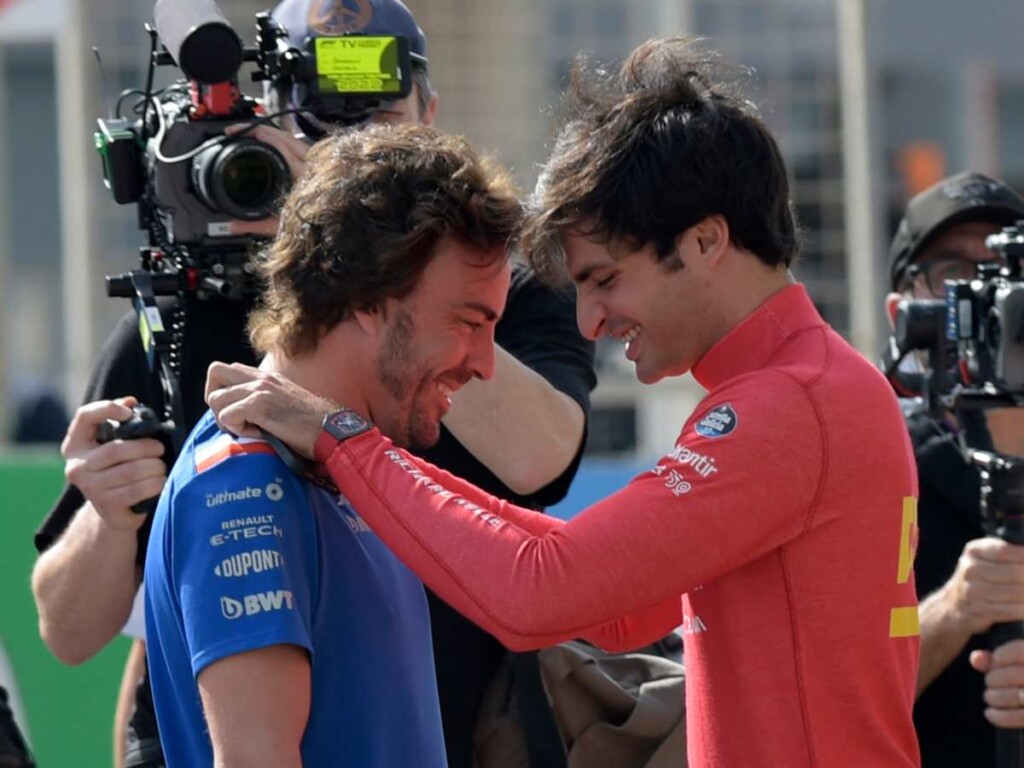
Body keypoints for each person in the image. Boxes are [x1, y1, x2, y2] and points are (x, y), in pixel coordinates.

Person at [205, 37, 922, 767]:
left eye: (605, 278)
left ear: (706, 241)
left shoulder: (786, 403)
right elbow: (610, 609)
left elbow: (540, 595)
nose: (590, 323)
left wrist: (342, 440)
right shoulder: (806, 385)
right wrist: (361, 449)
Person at [31, 2, 593, 766]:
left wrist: (400, 271)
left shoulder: (500, 293)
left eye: (382, 122)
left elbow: (542, 464)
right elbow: (76, 636)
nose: (360, 155)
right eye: (329, 127)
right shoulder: (195, 317)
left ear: (430, 109)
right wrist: (113, 512)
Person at [145, 123, 530, 767]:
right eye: (468, 323)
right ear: (365, 299)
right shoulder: (242, 479)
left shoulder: (356, 464)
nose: (486, 365)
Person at [885, 170, 1024, 766]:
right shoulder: (874, 466)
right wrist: (954, 610)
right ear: (903, 312)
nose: (984, 296)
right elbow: (829, 695)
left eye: (1006, 275)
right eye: (952, 273)